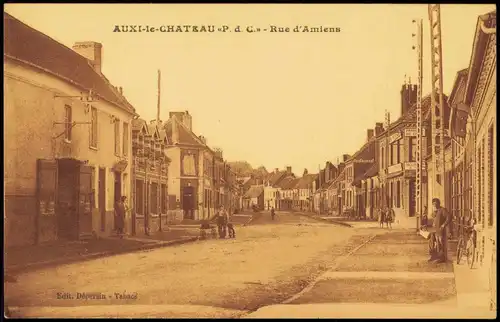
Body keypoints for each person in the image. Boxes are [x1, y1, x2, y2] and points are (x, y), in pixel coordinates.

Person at [430, 198, 451, 263]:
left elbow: (449, 217)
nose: (435, 205)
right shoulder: (436, 211)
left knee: (442, 244)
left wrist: (443, 225)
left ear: (439, 204)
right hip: (436, 230)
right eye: (433, 204)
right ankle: (436, 257)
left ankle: (442, 258)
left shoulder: (443, 210)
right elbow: (434, 218)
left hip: (441, 231)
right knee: (437, 244)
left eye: (436, 204)